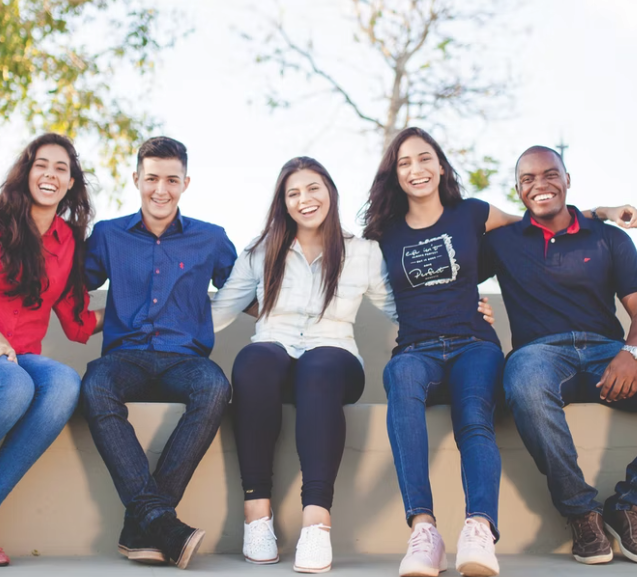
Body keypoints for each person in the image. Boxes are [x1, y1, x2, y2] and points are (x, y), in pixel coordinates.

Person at [361, 127, 634, 577]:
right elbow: (420, 277)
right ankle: (432, 529)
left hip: (537, 347)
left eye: (425, 158)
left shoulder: (483, 216)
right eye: (405, 162)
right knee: (436, 381)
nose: (417, 169)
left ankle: (494, 526)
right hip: (472, 351)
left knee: (476, 412)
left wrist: (602, 212)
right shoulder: (400, 235)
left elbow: (550, 216)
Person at [211, 156, 416, 574]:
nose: (304, 199)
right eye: (293, 193)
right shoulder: (261, 250)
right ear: (283, 203)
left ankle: (316, 523)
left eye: (313, 188)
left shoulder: (363, 253)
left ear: (330, 193)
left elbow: (404, 309)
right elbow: (219, 311)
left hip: (334, 360)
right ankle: (257, 516)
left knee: (318, 368)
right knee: (253, 360)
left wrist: (463, 313)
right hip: (274, 357)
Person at [0, 133, 101, 568]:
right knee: (12, 387)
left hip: (17, 355)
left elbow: (77, 321)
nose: (50, 174)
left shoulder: (67, 241)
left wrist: (147, 309)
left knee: (64, 384)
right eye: (41, 164)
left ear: (70, 184)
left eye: (61, 168)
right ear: (27, 171)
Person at [81, 136, 236, 570]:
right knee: (94, 387)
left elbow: (251, 288)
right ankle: (163, 524)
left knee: (215, 388)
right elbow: (69, 283)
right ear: (136, 179)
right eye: (152, 179)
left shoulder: (211, 238)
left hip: (185, 360)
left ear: (186, 182)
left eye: (172, 179)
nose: (161, 190)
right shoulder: (109, 234)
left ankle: (145, 524)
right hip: (123, 357)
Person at [482, 145, 637, 566]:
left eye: (550, 174)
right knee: (525, 384)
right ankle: (581, 513)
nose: (540, 185)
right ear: (518, 190)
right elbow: (448, 268)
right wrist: (471, 306)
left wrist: (631, 351)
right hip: (541, 354)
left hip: (607, 351)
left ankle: (627, 505)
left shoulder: (609, 237)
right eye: (527, 179)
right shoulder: (501, 242)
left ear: (568, 180)